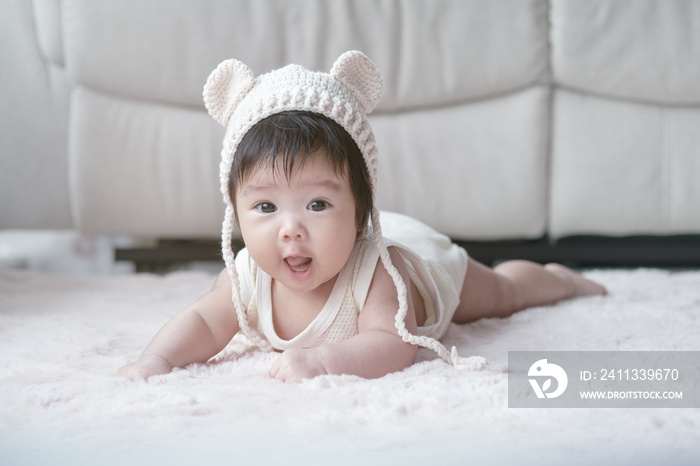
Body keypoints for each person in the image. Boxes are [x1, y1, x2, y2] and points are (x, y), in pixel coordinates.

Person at [117, 51, 606, 383]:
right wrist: (155, 360)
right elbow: (203, 321)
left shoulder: (377, 275)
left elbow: (393, 345)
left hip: (423, 260)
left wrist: (324, 361)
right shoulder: (244, 278)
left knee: (502, 295)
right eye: (265, 207)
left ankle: (558, 280)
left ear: (359, 208)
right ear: (236, 212)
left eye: (318, 204)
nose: (291, 228)